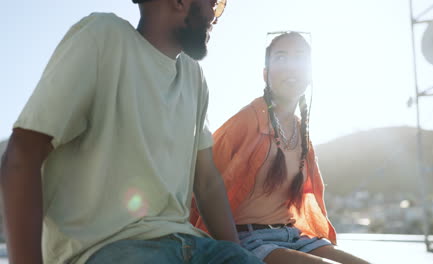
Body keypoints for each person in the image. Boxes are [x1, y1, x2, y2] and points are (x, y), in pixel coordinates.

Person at [0, 0, 262, 263]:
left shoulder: (194, 77)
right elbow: (24, 151)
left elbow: (207, 182)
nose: (215, 16)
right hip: (107, 249)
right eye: (214, 3)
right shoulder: (103, 37)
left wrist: (237, 255)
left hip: (189, 246)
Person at [191, 31, 370, 264]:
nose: (291, 66)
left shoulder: (301, 130)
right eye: (281, 58)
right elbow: (201, 181)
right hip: (248, 239)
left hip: (294, 236)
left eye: (300, 57)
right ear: (266, 74)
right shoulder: (246, 121)